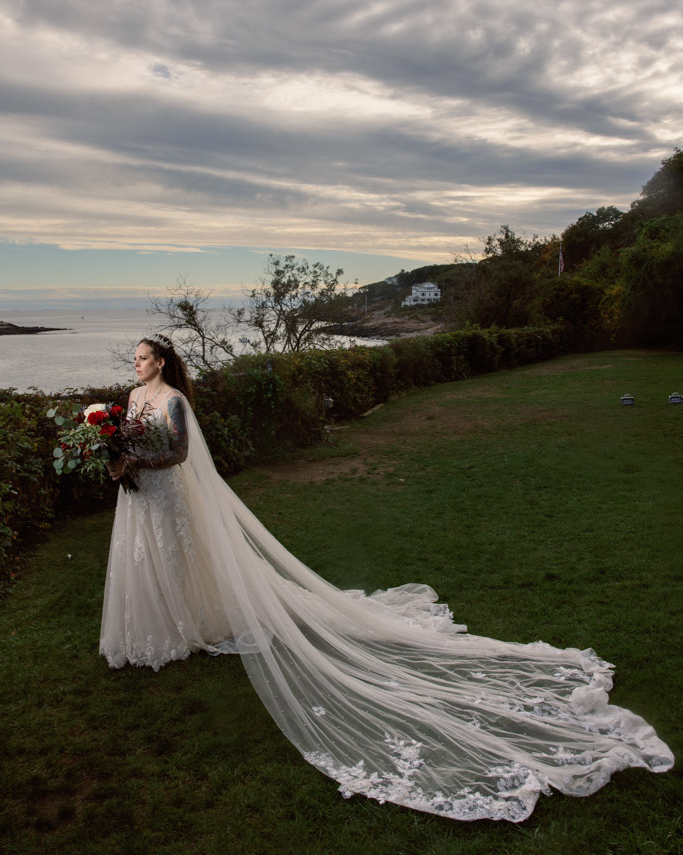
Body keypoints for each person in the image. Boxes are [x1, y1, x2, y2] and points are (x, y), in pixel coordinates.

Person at [100, 336, 674, 823]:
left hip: (165, 490)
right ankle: (172, 624)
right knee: (148, 560)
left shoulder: (175, 401)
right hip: (141, 498)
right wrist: (114, 449)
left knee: (177, 557)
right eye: (135, 359)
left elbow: (177, 454)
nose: (138, 365)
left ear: (164, 363)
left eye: (145, 358)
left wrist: (136, 462)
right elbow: (130, 432)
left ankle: (182, 623)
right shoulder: (131, 397)